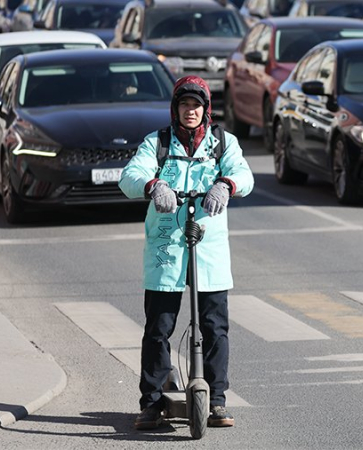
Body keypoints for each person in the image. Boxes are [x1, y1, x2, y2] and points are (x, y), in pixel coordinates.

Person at [119, 75, 254, 431]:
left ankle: (218, 400)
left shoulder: (222, 142)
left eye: (196, 105)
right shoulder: (158, 143)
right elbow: (130, 175)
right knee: (159, 327)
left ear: (206, 109)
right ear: (175, 109)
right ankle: (151, 403)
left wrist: (227, 184)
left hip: (208, 247)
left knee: (214, 326)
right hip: (167, 246)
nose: (190, 111)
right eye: (184, 105)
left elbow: (244, 173)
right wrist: (153, 184)